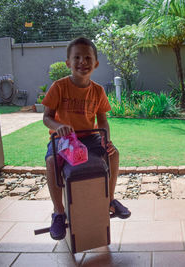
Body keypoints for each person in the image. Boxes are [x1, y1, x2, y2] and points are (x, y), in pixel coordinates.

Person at [42, 37, 131, 241]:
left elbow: (102, 120)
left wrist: (105, 139)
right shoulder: (59, 86)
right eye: (77, 57)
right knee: (51, 161)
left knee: (113, 154)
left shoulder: (98, 90)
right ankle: (58, 212)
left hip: (89, 138)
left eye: (88, 58)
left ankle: (110, 200)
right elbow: (46, 117)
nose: (83, 61)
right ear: (68, 63)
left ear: (96, 63)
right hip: (63, 140)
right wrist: (58, 127)